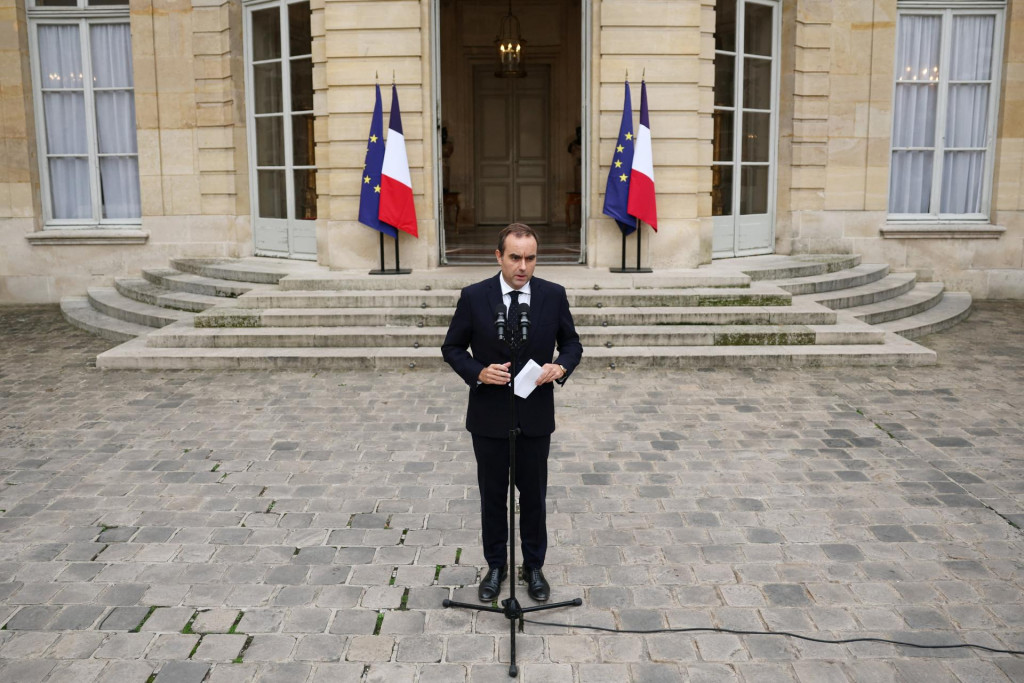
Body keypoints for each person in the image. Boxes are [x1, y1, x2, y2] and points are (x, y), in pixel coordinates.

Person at [441, 223, 583, 602]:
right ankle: (496, 566)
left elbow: (571, 343)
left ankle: (533, 567)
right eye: (515, 257)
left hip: (535, 417)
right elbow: (452, 348)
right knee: (492, 496)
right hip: (489, 418)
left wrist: (561, 366)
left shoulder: (553, 296)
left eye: (530, 258)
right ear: (499, 256)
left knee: (534, 496)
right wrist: (478, 372)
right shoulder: (474, 297)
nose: (523, 266)